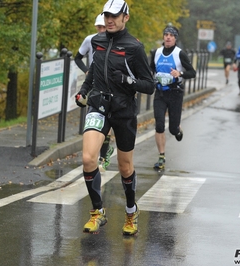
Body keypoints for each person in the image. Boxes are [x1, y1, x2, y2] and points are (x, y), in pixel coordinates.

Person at [75, 0, 154, 235]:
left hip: (123, 110)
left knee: (124, 166)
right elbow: (93, 72)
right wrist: (84, 90)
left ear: (125, 18)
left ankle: (131, 212)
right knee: (89, 159)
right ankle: (98, 212)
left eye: (115, 16)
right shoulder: (96, 42)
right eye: (106, 15)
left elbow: (149, 85)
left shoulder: (134, 47)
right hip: (99, 105)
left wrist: (127, 81)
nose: (109, 20)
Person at [150, 25, 196, 170]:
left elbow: (192, 73)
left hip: (175, 94)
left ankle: (177, 129)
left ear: (175, 38)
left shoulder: (180, 54)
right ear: (163, 37)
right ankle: (161, 157)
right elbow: (150, 69)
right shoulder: (156, 52)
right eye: (166, 34)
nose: (168, 37)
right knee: (159, 125)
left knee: (172, 129)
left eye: (171, 35)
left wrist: (180, 74)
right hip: (160, 93)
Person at [74, 14, 114, 172]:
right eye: (99, 27)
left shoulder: (114, 41)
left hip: (109, 86)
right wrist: (87, 70)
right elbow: (77, 58)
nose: (101, 30)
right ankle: (97, 155)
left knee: (107, 122)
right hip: (93, 82)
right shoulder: (90, 40)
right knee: (96, 119)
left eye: (103, 27)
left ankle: (103, 157)